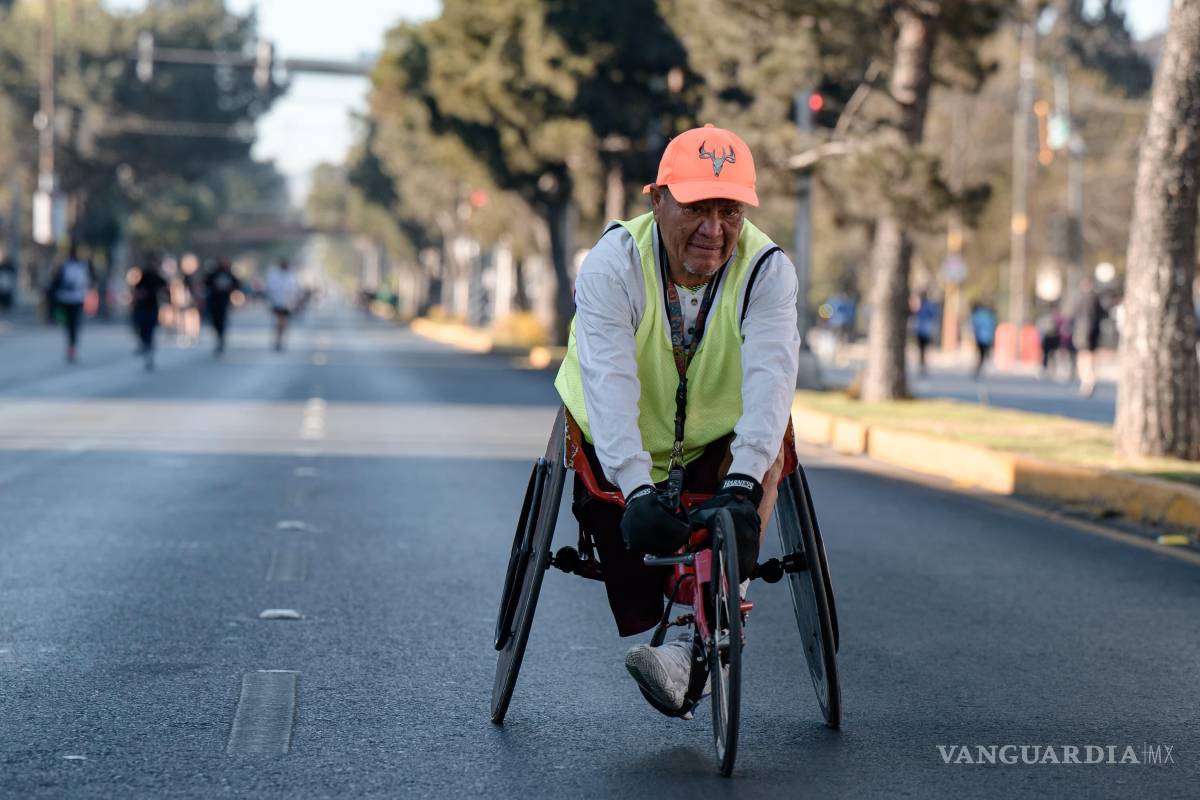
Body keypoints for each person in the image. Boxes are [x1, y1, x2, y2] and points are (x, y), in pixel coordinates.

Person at [554, 124, 799, 715]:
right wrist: (636, 486)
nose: (714, 230)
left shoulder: (767, 270)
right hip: (617, 439)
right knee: (629, 512)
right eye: (696, 207)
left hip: (716, 440)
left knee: (774, 450)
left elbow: (771, 379)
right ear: (656, 198)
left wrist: (743, 483)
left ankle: (703, 642)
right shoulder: (613, 265)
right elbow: (609, 385)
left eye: (729, 210)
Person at [50, 244, 93, 363]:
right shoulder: (64, 266)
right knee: (68, 324)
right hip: (65, 299)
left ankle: (72, 346)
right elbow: (56, 281)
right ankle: (71, 345)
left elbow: (89, 279)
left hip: (76, 299)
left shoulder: (81, 266)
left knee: (73, 324)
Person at [131, 254, 168, 371]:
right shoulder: (143, 275)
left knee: (150, 330)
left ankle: (149, 354)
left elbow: (166, 290)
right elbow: (136, 289)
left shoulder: (159, 277)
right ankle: (144, 345)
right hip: (142, 307)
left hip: (152, 307)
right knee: (141, 329)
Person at [1071, 278, 1105, 398]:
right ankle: (1090, 378)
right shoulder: (1096, 298)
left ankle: (1087, 380)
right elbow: (1103, 313)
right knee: (1091, 357)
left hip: (1082, 331)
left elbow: (1072, 314)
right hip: (1094, 331)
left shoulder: (1080, 298)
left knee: (1083, 357)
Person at [203, 256, 241, 356]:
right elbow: (206, 283)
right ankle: (218, 335)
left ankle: (221, 338)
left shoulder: (229, 274)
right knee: (214, 321)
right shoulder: (213, 274)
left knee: (222, 320)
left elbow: (237, 284)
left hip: (224, 302)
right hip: (213, 301)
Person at [265, 259, 298, 351]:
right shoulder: (274, 275)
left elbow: (294, 290)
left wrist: (293, 302)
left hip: (286, 304)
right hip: (276, 302)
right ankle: (278, 339)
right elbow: (270, 289)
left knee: (283, 322)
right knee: (279, 321)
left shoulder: (291, 276)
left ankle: (280, 338)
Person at [913, 291, 939, 376]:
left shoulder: (924, 306)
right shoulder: (922, 306)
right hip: (923, 330)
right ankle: (922, 366)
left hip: (924, 330)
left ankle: (923, 366)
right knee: (922, 349)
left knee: (923, 349)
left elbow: (932, 316)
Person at [969, 301, 997, 380]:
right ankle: (978, 369)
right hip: (986, 338)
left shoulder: (978, 315)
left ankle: (978, 369)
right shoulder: (988, 316)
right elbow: (993, 326)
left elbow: (973, 325)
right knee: (982, 355)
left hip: (980, 338)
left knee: (982, 355)